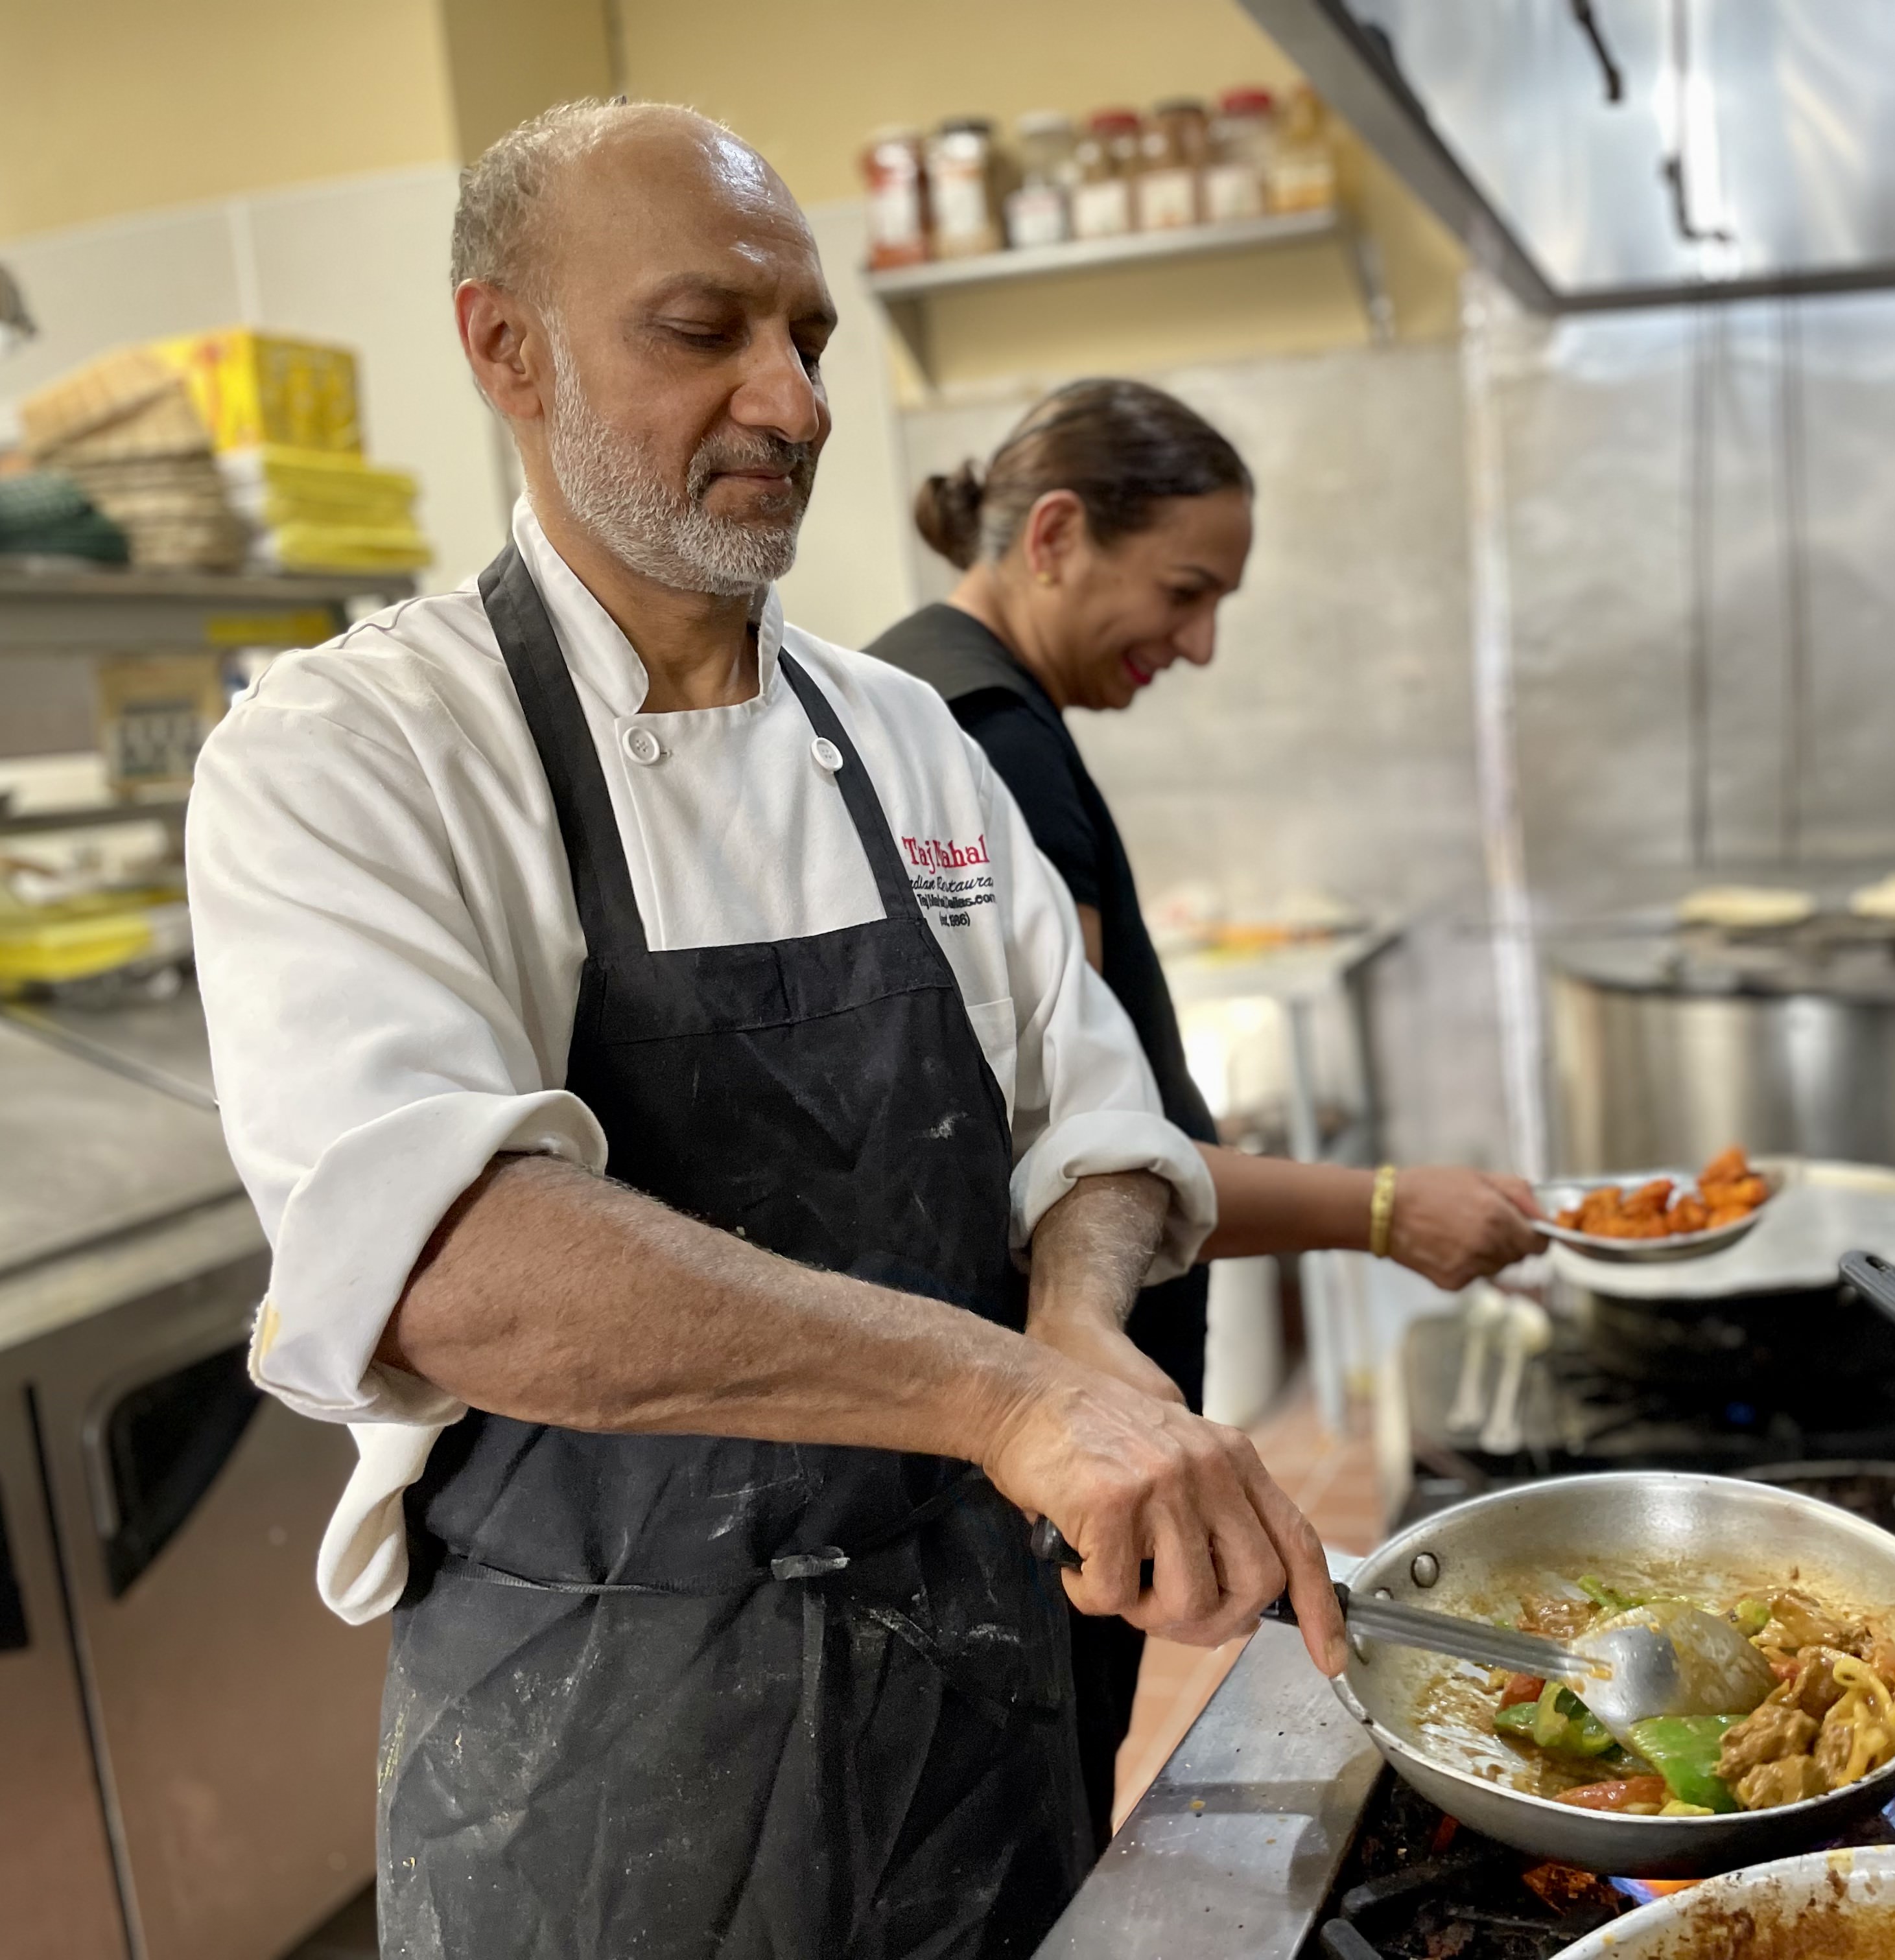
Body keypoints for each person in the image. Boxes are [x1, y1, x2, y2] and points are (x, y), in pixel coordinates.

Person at [183, 102, 1343, 1960]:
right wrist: (1012, 1394)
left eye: (805, 336)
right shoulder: (357, 752)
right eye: (702, 330)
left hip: (979, 1700)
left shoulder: (907, 742)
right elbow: (454, 1267)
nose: (794, 403)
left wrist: (1078, 1314)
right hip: (602, 1759)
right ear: (505, 347)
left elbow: (1096, 1127)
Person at [873, 379, 1546, 1839]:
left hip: (1039, 1435)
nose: (1199, 643)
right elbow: (1071, 1159)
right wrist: (1380, 1210)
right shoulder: (988, 746)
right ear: (1053, 535)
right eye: (1185, 592)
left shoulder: (941, 707)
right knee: (1036, 1822)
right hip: (1045, 1452)